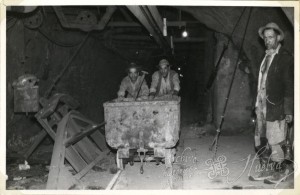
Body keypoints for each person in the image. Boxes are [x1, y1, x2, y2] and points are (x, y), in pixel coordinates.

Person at [250, 22, 294, 183]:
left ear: (278, 38)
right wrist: (256, 105)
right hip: (262, 106)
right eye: (265, 38)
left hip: (276, 106)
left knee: (275, 140)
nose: (268, 40)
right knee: (261, 139)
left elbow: (290, 86)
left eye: (271, 37)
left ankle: (280, 171)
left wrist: (289, 110)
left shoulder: (285, 58)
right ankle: (267, 169)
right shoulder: (266, 57)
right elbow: (261, 83)